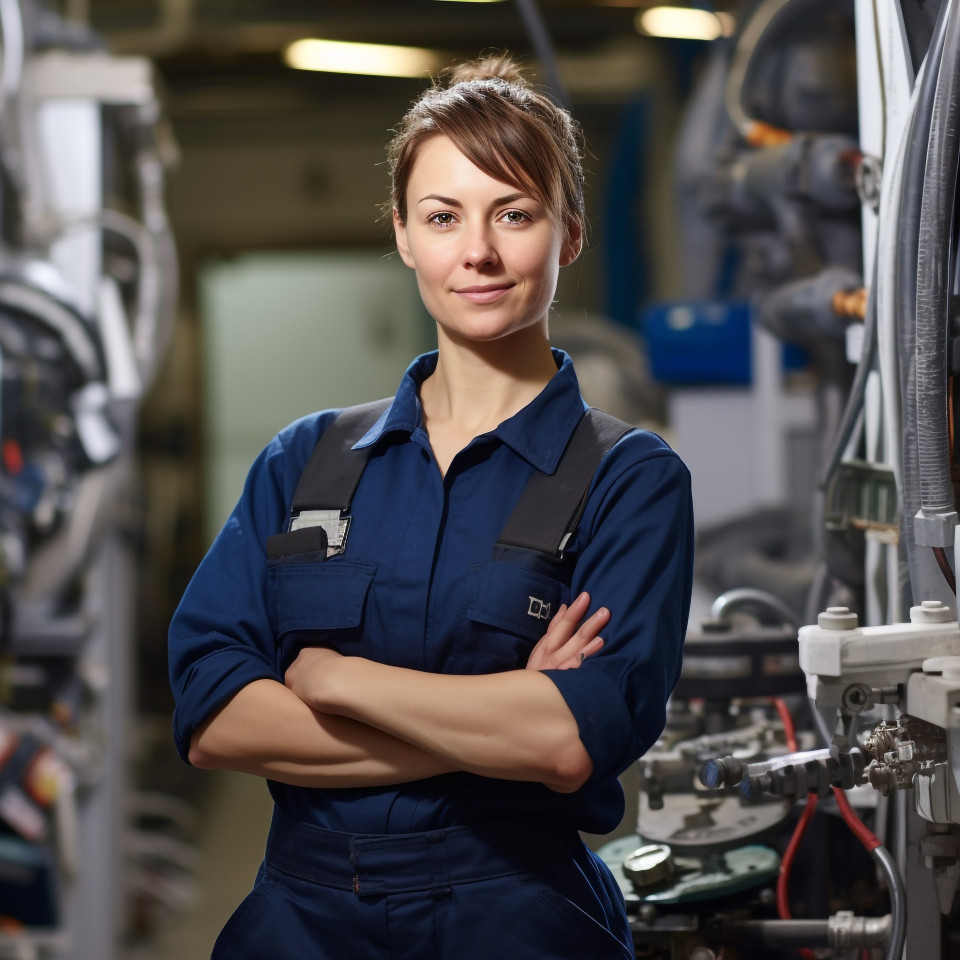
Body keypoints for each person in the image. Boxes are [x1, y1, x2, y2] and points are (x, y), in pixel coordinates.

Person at [168, 55, 693, 960]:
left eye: (514, 215)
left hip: (517, 913)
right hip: (300, 919)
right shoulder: (307, 460)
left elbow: (572, 741)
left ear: (568, 235)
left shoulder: (630, 479)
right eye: (443, 217)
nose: (477, 252)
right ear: (406, 236)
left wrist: (338, 682)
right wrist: (501, 718)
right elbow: (215, 718)